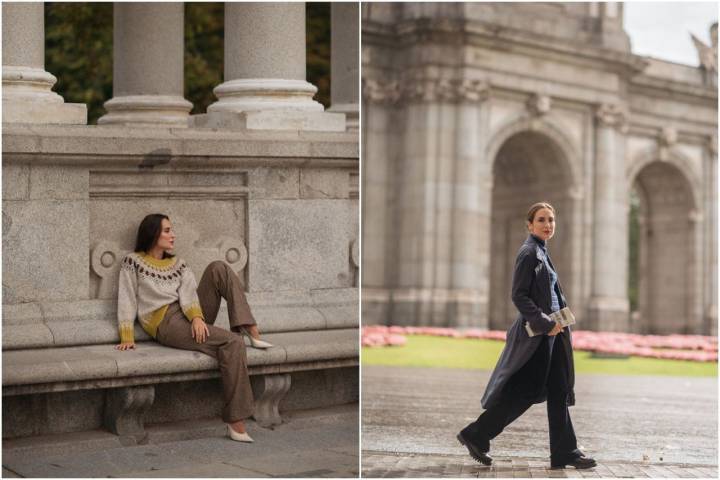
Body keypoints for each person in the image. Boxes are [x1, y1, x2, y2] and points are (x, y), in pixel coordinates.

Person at [457, 202, 597, 470]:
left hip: (554, 334)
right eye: (542, 220)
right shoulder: (529, 252)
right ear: (530, 224)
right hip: (540, 336)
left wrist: (559, 322)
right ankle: (476, 433)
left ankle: (565, 452)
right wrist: (545, 323)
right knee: (525, 391)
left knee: (559, 390)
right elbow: (518, 295)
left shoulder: (542, 251)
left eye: (551, 220)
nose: (548, 224)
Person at [115, 213, 272, 443]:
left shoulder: (179, 264)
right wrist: (127, 335)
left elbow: (188, 295)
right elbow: (126, 298)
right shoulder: (133, 262)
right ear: (152, 233)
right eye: (167, 230)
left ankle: (249, 325)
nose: (173, 235)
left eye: (172, 229)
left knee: (219, 268)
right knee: (233, 342)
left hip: (190, 313)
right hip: (166, 323)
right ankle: (235, 420)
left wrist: (197, 318)